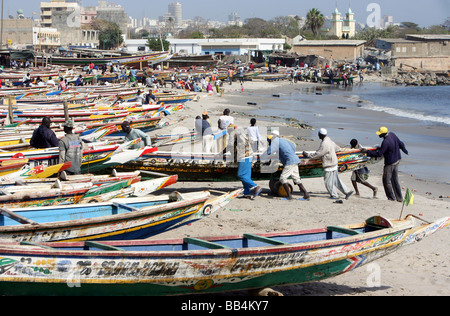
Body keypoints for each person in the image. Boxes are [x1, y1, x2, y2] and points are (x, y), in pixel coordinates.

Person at [303, 128, 353, 200]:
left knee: (328, 182)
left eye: (318, 134)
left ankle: (334, 195)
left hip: (329, 165)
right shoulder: (329, 140)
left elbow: (318, 154)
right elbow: (337, 148)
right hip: (334, 163)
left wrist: (307, 155)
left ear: (320, 135)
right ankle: (347, 191)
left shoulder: (324, 144)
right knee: (336, 180)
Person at [361, 127, 408, 202]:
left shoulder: (386, 142)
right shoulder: (392, 134)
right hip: (397, 159)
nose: (379, 135)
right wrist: (405, 150)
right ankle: (399, 198)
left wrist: (367, 152)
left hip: (390, 163)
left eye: (380, 134)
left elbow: (379, 154)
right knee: (395, 180)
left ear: (383, 134)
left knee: (386, 180)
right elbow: (400, 143)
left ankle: (391, 198)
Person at [264, 131, 310, 200]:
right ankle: (306, 194)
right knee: (296, 178)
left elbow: (268, 152)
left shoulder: (275, 142)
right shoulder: (283, 140)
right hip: (295, 159)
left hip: (290, 161)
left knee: (282, 178)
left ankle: (289, 196)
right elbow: (293, 148)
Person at [234, 128, 262, 199]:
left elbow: (232, 147)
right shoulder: (246, 136)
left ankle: (256, 186)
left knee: (241, 175)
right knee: (246, 176)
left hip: (244, 157)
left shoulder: (238, 137)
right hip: (250, 156)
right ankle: (247, 194)